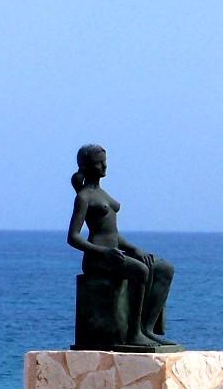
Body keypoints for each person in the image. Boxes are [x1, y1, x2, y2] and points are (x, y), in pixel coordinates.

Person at [67, 144, 175, 348]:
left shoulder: (102, 193)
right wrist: (104, 252)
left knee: (164, 269)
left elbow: (112, 233)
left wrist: (133, 249)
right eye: (99, 163)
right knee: (140, 270)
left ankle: (147, 329)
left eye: (105, 162)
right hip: (99, 260)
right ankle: (133, 333)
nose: (104, 166)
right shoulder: (83, 197)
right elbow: (73, 237)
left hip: (115, 254)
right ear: (87, 166)